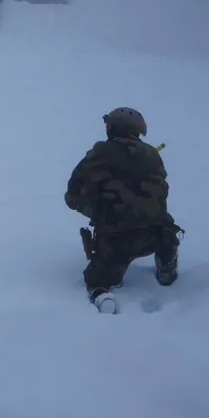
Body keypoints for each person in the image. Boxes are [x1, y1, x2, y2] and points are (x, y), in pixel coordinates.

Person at [65, 107, 181, 314]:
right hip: (157, 235)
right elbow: (160, 194)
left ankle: (102, 296)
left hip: (117, 241)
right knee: (163, 223)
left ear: (111, 128)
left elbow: (72, 197)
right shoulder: (152, 155)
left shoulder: (100, 153)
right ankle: (167, 263)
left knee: (98, 281)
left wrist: (98, 209)